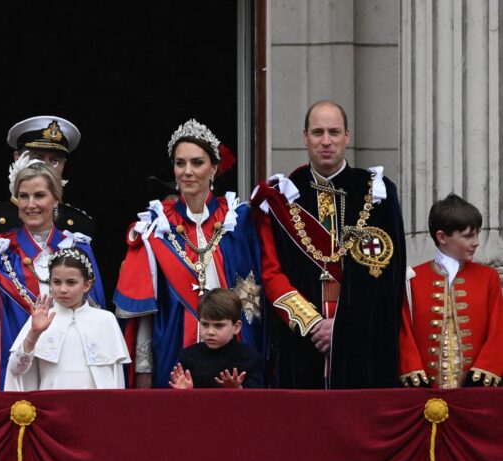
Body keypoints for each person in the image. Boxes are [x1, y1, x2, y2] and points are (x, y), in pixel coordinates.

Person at [251, 100, 406, 389]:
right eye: (318, 132)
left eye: (334, 132)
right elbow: (271, 272)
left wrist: (342, 326)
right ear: (305, 137)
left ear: (347, 136)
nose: (326, 141)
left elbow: (387, 277)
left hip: (362, 341)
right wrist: (312, 324)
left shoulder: (378, 192)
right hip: (302, 342)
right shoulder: (281, 197)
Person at [114, 119, 264, 389]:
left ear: (214, 168)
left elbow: (250, 293)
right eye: (180, 163)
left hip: (231, 351)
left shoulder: (236, 219)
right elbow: (144, 307)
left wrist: (250, 349)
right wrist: (144, 370)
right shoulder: (156, 225)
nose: (187, 171)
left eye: (197, 163)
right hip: (172, 346)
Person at [0, 160, 106, 390]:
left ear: (56, 198)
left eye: (39, 195)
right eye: (23, 196)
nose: (31, 204)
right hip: (16, 371)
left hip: (68, 370)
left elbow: (95, 320)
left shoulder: (78, 249)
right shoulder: (0, 252)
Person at [399, 194, 503, 388]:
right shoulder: (412, 278)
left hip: (477, 391)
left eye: (477, 234)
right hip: (425, 391)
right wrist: (412, 371)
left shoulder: (488, 277)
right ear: (442, 237)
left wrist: (485, 371)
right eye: (468, 236)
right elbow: (404, 332)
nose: (476, 242)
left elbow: (498, 329)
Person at [5, 249, 129, 390]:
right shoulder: (40, 319)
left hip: (94, 407)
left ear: (87, 285)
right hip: (51, 407)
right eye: (57, 282)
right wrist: (34, 334)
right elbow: (16, 370)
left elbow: (116, 380)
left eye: (71, 282)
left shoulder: (106, 320)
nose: (63, 289)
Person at [0, 115, 95, 237]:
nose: (46, 166)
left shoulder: (80, 226)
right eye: (37, 158)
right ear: (17, 158)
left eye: (55, 160)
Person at [167, 288, 264, 389]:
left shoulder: (250, 358)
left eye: (218, 326)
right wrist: (185, 392)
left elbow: (258, 401)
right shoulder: (187, 356)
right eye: (205, 324)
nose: (210, 332)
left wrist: (238, 389)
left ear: (236, 327)